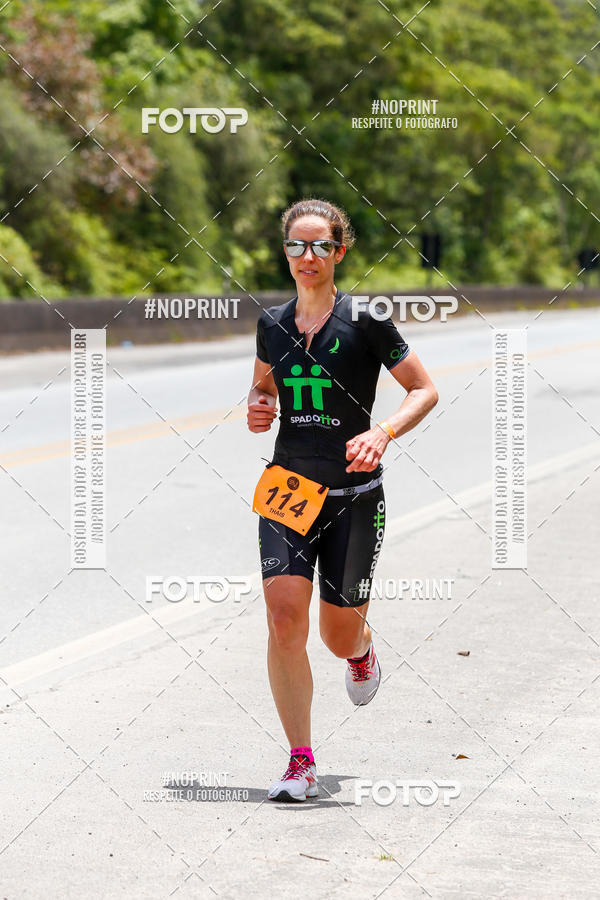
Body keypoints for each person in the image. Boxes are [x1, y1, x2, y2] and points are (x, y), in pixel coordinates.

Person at [247, 198, 438, 802]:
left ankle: (361, 651)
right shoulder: (271, 325)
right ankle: (300, 761)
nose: (308, 257)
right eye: (297, 246)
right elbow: (262, 386)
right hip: (287, 491)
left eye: (320, 246)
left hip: (354, 495)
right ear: (286, 253)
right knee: (282, 620)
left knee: (336, 635)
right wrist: (258, 406)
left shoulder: (367, 320)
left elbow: (424, 390)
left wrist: (382, 432)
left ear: (340, 251)